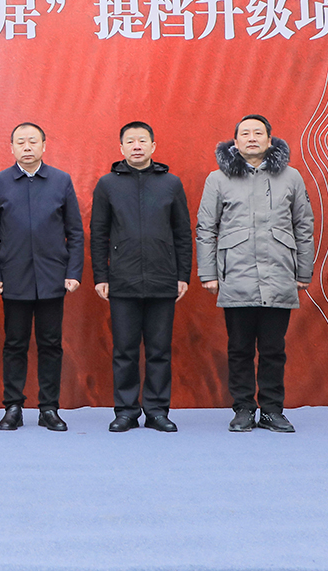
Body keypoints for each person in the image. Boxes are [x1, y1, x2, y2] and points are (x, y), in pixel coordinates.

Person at [196, 114, 314, 433]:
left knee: (274, 349)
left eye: (258, 133)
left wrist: (303, 271)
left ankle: (273, 410)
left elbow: (304, 226)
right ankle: (244, 408)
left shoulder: (291, 177)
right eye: (245, 134)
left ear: (269, 140)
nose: (252, 138)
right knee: (240, 349)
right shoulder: (217, 179)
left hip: (279, 274)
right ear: (235, 142)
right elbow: (206, 228)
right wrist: (208, 273)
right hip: (236, 274)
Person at [90, 121, 192, 433]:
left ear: (153, 146)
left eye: (142, 140)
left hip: (163, 279)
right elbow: (99, 234)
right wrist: (101, 275)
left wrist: (183, 274)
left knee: (159, 351)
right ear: (121, 148)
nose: (137, 146)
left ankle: (157, 411)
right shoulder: (108, 184)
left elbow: (182, 233)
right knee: (125, 351)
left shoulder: (170, 183)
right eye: (131, 141)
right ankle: (126, 411)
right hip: (122, 279)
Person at [0, 122, 84, 432]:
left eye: (32, 141)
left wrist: (73, 272)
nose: (27, 147)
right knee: (14, 344)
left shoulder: (61, 181)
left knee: (51, 344)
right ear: (11, 147)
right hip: (14, 277)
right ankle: (13, 407)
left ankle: (49, 408)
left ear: (43, 146)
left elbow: (75, 231)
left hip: (53, 277)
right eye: (21, 142)